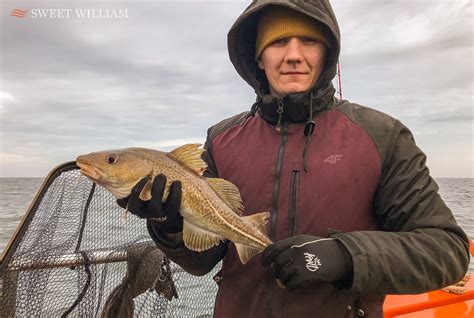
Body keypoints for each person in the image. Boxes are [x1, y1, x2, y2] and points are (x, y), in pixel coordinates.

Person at [117, 1, 470, 317]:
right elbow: (201, 261)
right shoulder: (220, 139)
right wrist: (168, 223)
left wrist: (344, 256)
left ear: (327, 52)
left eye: (310, 41)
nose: (294, 55)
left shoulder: (382, 136)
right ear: (259, 56)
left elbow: (447, 252)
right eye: (278, 42)